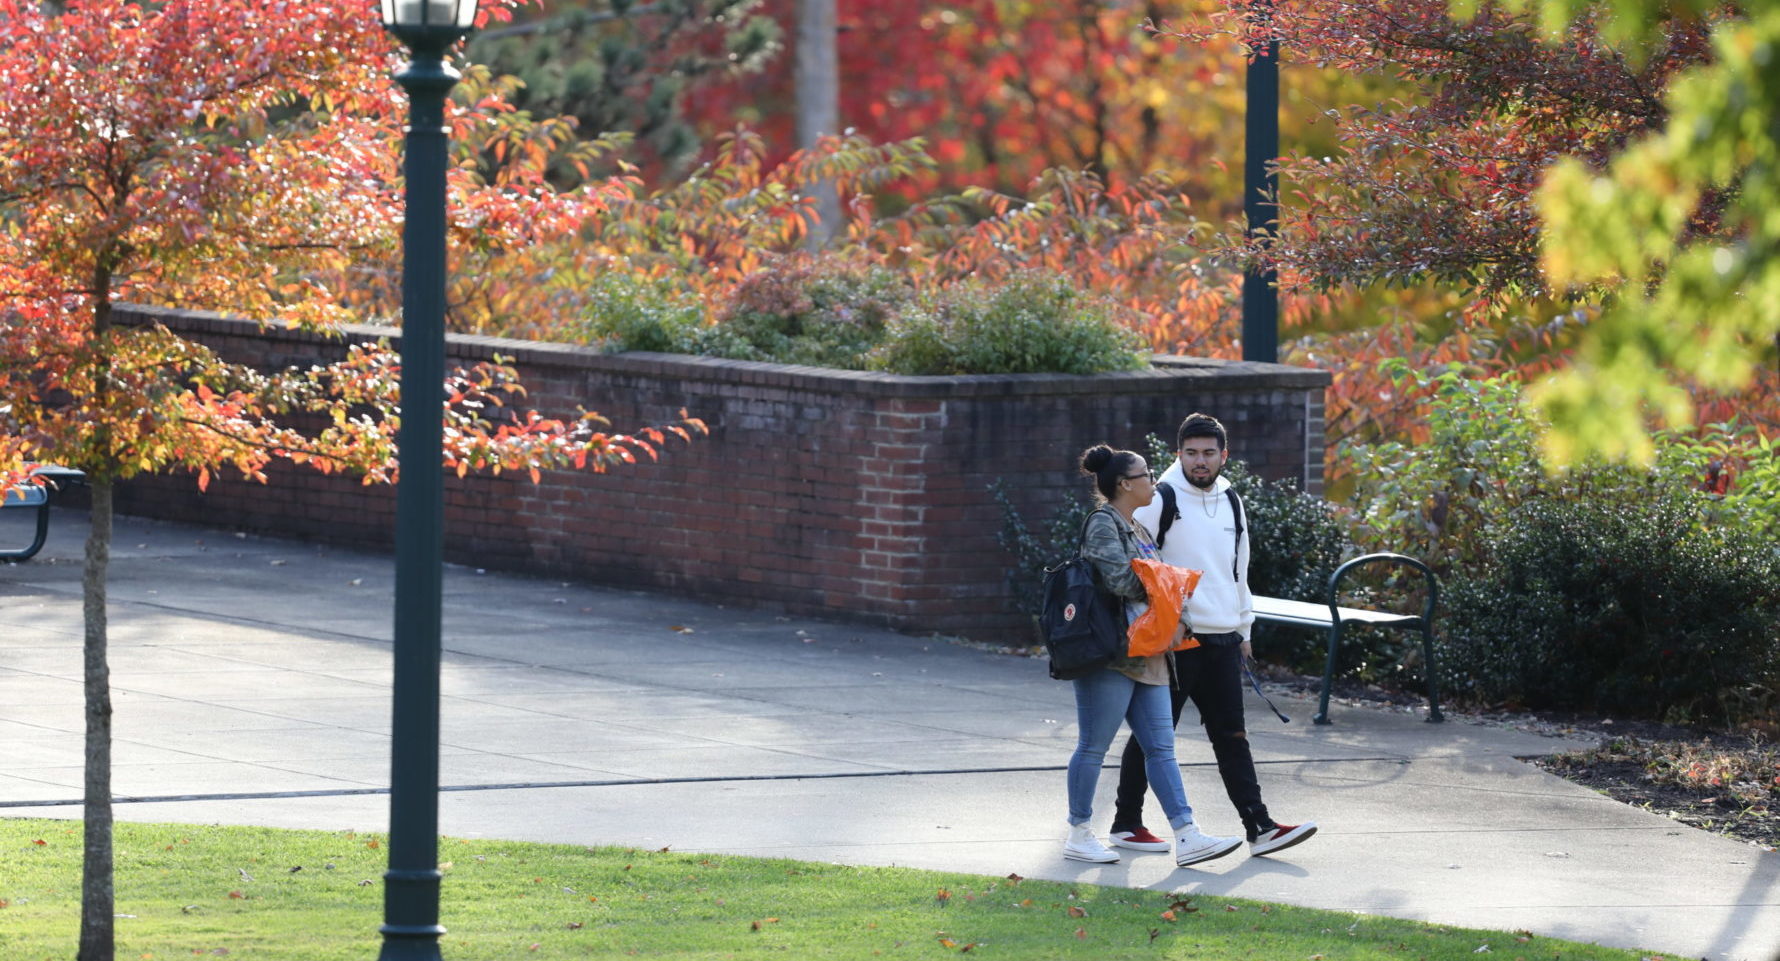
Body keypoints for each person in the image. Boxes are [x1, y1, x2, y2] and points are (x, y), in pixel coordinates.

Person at [1111, 413, 1318, 858]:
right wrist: (1167, 617)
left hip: (1224, 638)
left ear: (1224, 456)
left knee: (1231, 735)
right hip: (1176, 641)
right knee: (1155, 734)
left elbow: (1238, 568)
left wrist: (1244, 627)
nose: (1200, 461)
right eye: (1191, 453)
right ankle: (1126, 823)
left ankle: (1260, 827)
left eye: (1208, 453)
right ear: (1178, 454)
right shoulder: (1160, 497)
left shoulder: (1232, 499)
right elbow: (1136, 561)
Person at [1060, 443, 1244, 868]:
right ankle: (1079, 832)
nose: (1154, 481)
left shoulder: (1137, 529)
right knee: (1093, 746)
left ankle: (1188, 834)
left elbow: (1150, 581)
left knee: (1161, 747)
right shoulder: (1103, 524)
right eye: (1145, 475)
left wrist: (1168, 594)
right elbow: (1121, 581)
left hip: (1149, 653)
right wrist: (1168, 584)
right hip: (1111, 653)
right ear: (1125, 484)